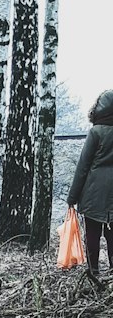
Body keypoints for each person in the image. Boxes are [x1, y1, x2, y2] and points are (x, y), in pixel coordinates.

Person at [68, 90, 113, 280]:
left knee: (92, 235)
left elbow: (83, 167)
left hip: (93, 192)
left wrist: (72, 197)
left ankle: (94, 272)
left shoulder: (96, 132)